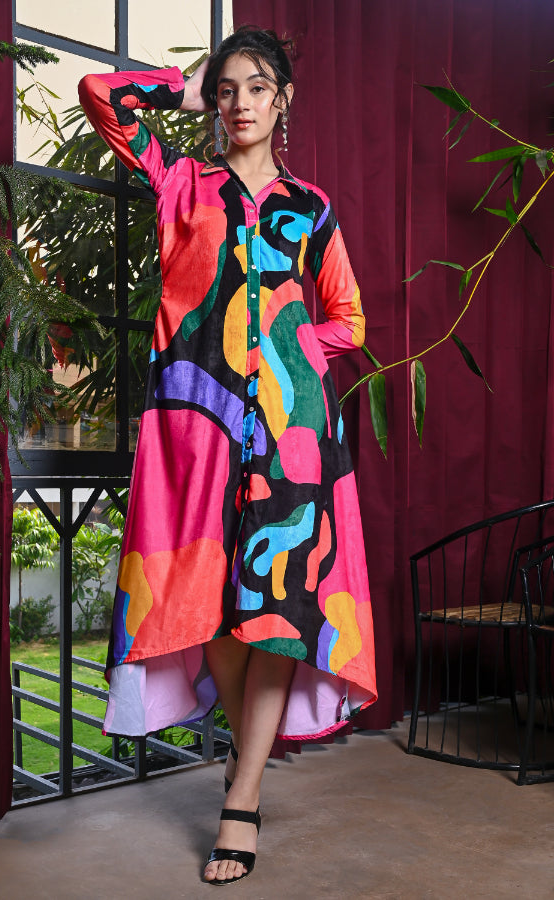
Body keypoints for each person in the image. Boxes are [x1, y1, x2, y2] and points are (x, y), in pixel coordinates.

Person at [79, 25, 376, 886]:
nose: (239, 103)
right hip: (193, 430)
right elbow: (102, 94)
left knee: (277, 608)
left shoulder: (310, 207)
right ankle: (246, 763)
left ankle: (241, 798)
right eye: (226, 90)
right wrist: (184, 84)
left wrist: (298, 349)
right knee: (209, 607)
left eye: (257, 88)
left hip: (292, 432)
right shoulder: (182, 183)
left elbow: (349, 321)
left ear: (284, 101)